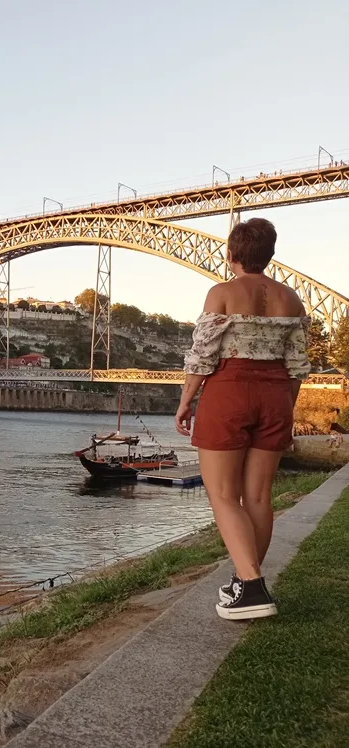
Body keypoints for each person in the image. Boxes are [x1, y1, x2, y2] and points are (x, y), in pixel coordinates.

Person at [175, 218, 309, 621]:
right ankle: (243, 581)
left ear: (231, 254)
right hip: (277, 395)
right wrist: (285, 406)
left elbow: (202, 357)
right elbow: (297, 365)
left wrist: (185, 402)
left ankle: (251, 586)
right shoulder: (292, 300)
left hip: (229, 391)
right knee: (259, 497)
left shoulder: (221, 293)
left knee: (221, 494)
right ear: (269, 254)